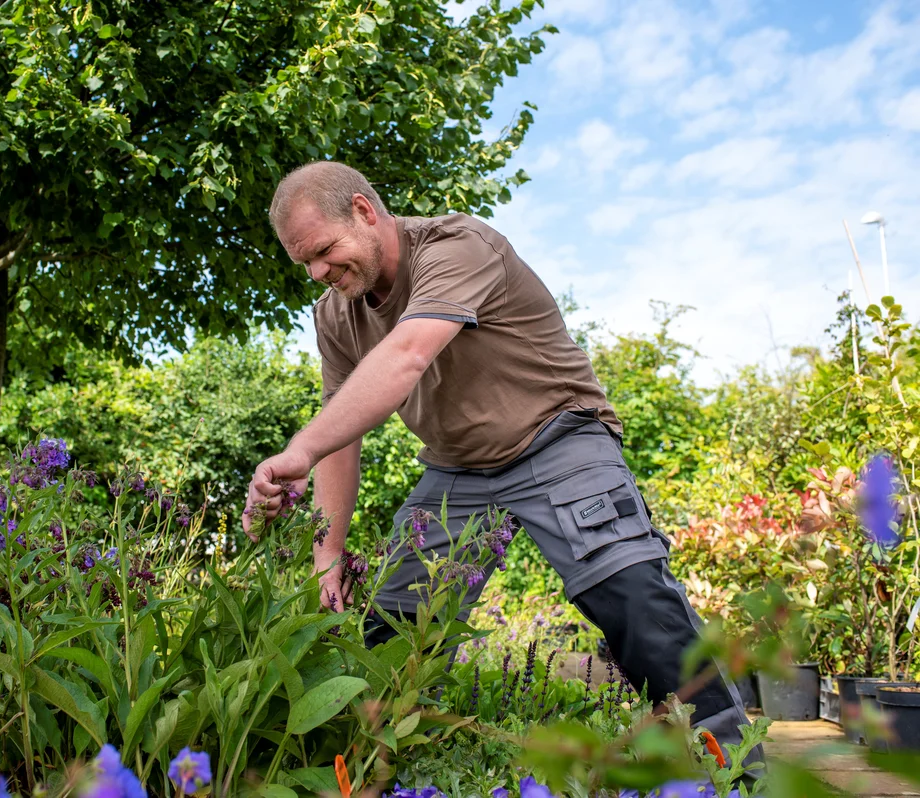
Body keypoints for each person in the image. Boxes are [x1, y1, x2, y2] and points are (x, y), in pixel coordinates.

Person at [241, 161, 762, 765]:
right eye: (304, 262)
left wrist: (299, 450)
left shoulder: (458, 246)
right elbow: (340, 432)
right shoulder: (336, 314)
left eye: (325, 251)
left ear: (363, 211)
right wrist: (326, 554)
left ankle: (735, 771)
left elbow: (407, 354)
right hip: (457, 469)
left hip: (558, 438)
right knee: (395, 621)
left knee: (632, 595)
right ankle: (382, 768)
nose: (317, 273)